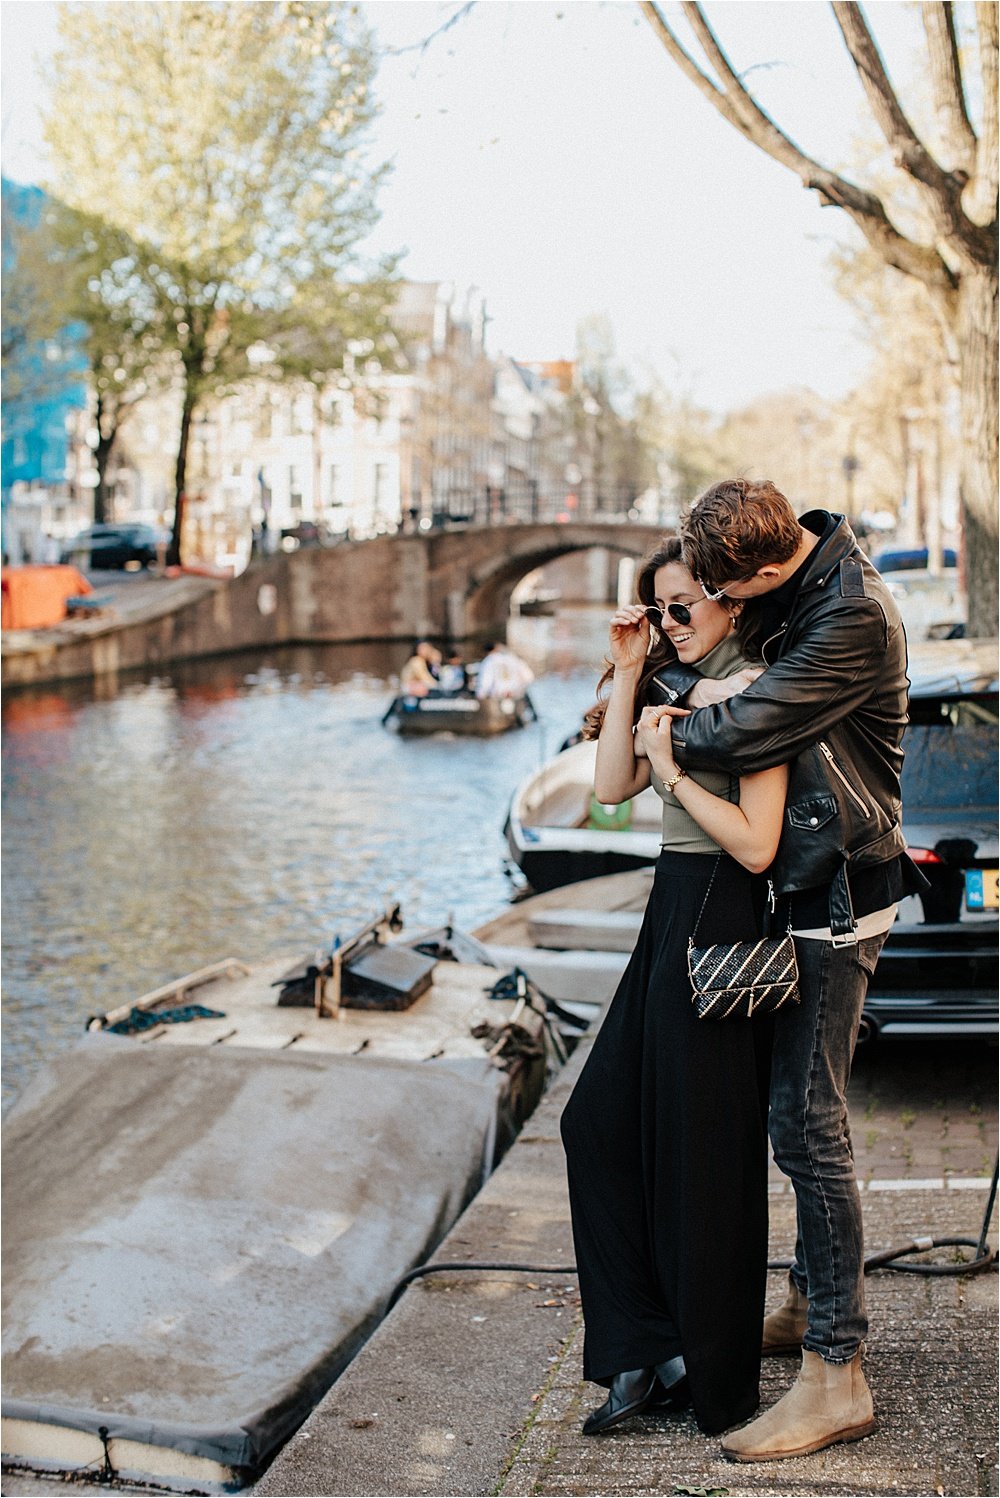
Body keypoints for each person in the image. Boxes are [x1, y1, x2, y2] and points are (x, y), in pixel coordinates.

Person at [656, 477, 924, 1463]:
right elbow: (745, 661)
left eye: (734, 596)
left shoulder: (849, 614)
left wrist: (671, 732)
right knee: (797, 1112)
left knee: (808, 1124)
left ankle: (834, 1371)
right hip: (816, 884)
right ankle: (813, 1295)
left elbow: (752, 722)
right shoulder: (798, 574)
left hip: (840, 892)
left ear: (768, 569)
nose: (726, 614)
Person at [560, 537, 789, 1439]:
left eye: (686, 604)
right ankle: (646, 1349)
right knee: (599, 1125)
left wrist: (677, 770)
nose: (673, 622)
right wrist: (628, 673)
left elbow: (759, 842)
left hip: (727, 921)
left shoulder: (765, 689)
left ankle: (712, 1372)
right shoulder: (667, 686)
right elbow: (612, 786)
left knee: (705, 1160)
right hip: (670, 916)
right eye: (660, 609)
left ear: (731, 599)